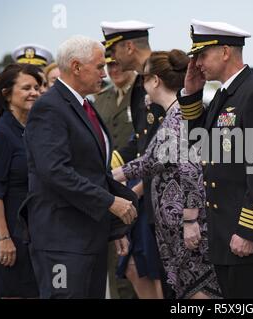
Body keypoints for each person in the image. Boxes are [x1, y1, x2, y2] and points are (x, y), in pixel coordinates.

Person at [22, 35, 138, 299]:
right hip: (61, 239)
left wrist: (113, 225)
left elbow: (95, 171)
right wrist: (111, 202)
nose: (104, 73)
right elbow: (54, 171)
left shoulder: (83, 105)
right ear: (76, 67)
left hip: (87, 236)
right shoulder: (50, 108)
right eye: (99, 67)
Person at [177, 19, 253, 298]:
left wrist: (250, 230)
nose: (197, 62)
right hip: (225, 233)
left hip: (246, 236)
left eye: (202, 54)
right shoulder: (227, 94)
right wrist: (191, 95)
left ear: (225, 52)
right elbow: (200, 147)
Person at [113, 49, 221, 299]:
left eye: (143, 78)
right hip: (174, 228)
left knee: (201, 294)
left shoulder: (179, 116)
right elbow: (152, 162)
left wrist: (190, 220)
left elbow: (188, 168)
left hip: (187, 227)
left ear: (155, 80)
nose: (142, 84)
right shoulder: (174, 113)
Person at [101, 20, 171, 298]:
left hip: (161, 192)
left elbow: (168, 146)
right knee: (135, 267)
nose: (113, 60)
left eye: (114, 50)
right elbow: (142, 139)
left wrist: (134, 187)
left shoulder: (161, 75)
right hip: (144, 187)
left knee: (158, 274)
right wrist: (109, 167)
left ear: (129, 47)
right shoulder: (144, 79)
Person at [0, 64, 42, 298]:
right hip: (10, 230)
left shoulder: (35, 128)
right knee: (14, 291)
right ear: (7, 94)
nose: (34, 92)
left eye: (38, 87)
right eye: (26, 87)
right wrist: (4, 238)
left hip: (36, 228)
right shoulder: (1, 134)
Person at [95, 47, 139, 299]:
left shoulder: (144, 93)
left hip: (139, 186)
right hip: (109, 187)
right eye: (108, 66)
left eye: (117, 64)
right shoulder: (101, 98)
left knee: (141, 265)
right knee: (116, 261)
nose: (113, 70)